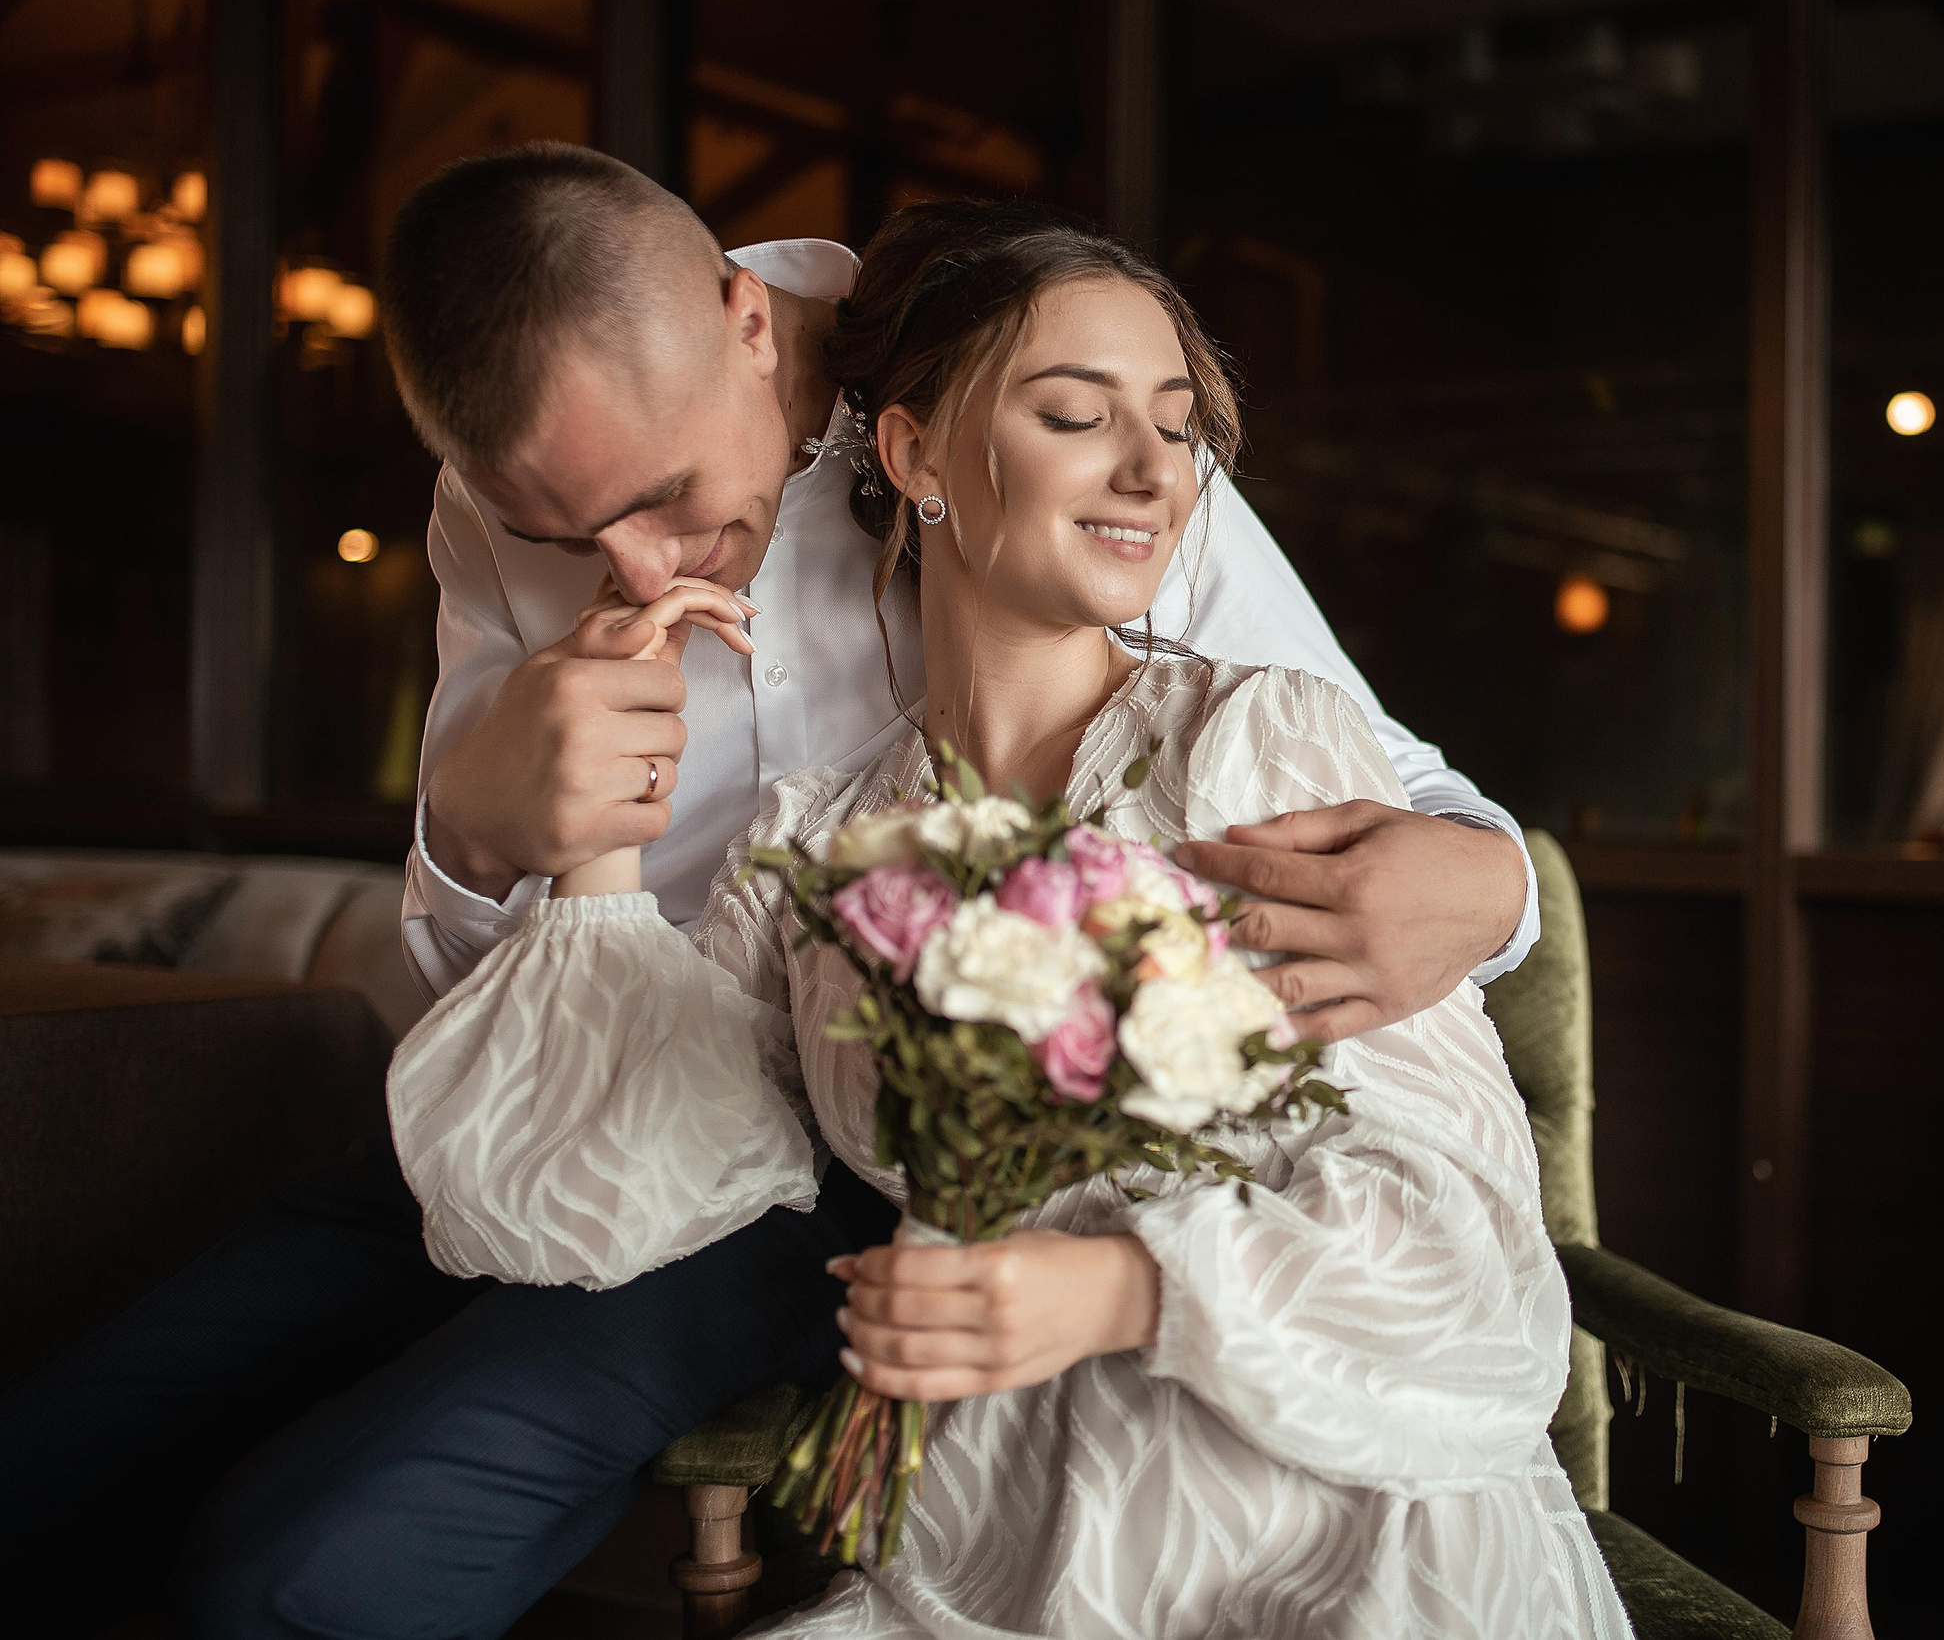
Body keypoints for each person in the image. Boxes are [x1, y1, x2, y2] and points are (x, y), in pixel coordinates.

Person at [0, 145, 1537, 1640]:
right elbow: (494, 973)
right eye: (560, 533)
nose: (627, 563)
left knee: (297, 1569)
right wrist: (477, 839)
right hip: (561, 1073)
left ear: (749, 323)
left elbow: (1381, 789)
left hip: (842, 1141)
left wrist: (1495, 882)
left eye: (664, 495)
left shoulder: (1026, 378)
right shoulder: (519, 485)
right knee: (53, 1462)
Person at [390, 196, 1631, 1639]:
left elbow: (1475, 1268)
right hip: (988, 1541)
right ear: (911, 454)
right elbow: (604, 1198)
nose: (1156, 474)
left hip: (1332, 1527)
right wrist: (598, 840)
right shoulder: (819, 844)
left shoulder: (1252, 749)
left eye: (1178, 427)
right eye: (1074, 414)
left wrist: (1120, 1290)